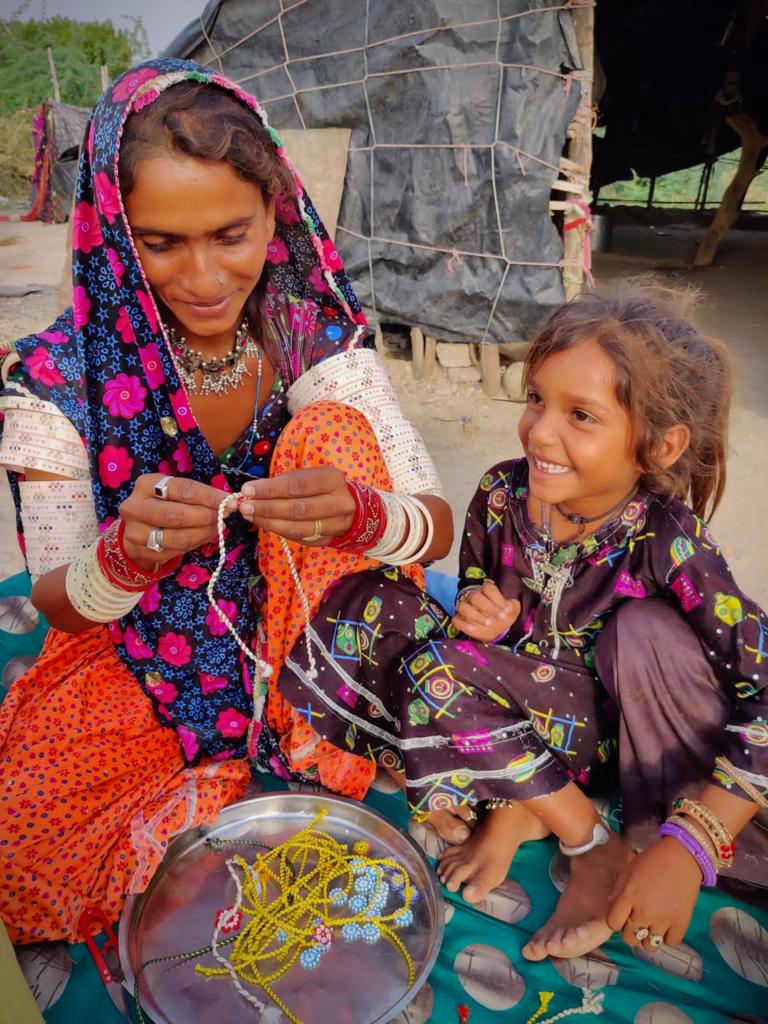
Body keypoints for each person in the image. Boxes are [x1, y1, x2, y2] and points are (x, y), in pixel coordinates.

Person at [0, 58, 453, 944]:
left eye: (231, 235)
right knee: (19, 859)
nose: (205, 277)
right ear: (110, 230)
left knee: (331, 433)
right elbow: (59, 598)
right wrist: (126, 556)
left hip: (304, 628)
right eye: (160, 242)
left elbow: (432, 525)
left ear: (275, 216)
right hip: (141, 645)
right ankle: (235, 774)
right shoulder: (56, 378)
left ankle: (311, 749)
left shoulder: (303, 332)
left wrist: (361, 514)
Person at [277, 282, 768, 961]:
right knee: (368, 603)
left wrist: (694, 841)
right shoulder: (502, 492)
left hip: (594, 732)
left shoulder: (670, 540)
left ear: (658, 447)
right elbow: (478, 609)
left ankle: (586, 841)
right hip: (512, 705)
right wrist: (488, 619)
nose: (540, 431)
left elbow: (762, 691)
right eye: (537, 398)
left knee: (444, 675)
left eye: (582, 416)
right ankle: (512, 802)